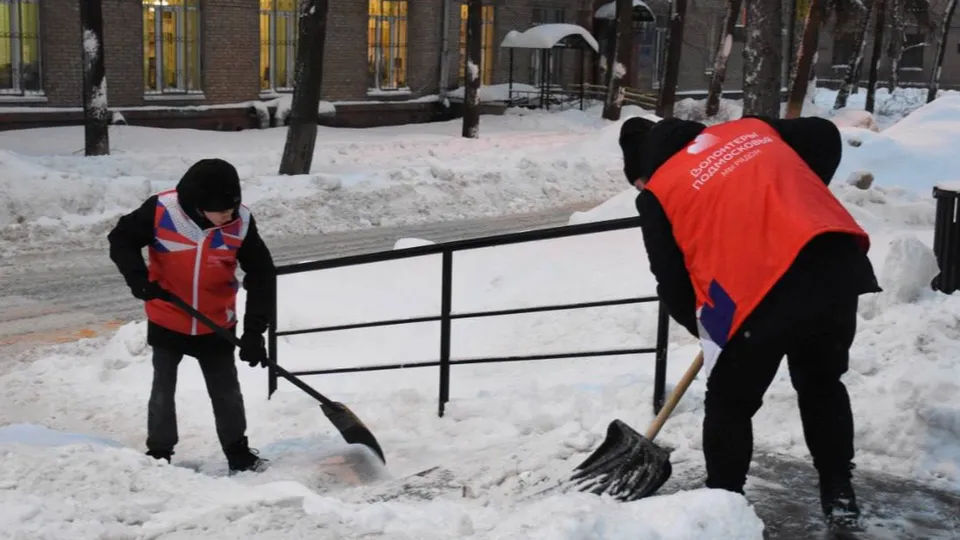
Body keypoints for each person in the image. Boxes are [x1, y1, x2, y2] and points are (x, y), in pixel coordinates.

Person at [618, 114, 881, 529]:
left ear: (643, 171)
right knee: (822, 386)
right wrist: (795, 201)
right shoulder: (747, 130)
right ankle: (840, 496)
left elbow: (671, 282)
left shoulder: (657, 193)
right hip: (833, 264)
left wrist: (710, 332)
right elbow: (823, 133)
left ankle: (725, 507)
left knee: (728, 405)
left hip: (757, 291)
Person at [107, 158, 276, 474]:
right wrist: (138, 279)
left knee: (226, 392)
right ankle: (159, 451)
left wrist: (255, 332)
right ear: (199, 207)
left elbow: (262, 274)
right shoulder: (162, 211)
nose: (230, 215)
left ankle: (238, 451)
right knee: (162, 389)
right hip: (169, 316)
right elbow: (121, 239)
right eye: (222, 210)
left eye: (233, 208)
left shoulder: (240, 223)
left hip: (216, 323)